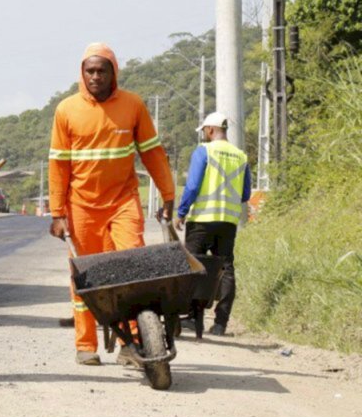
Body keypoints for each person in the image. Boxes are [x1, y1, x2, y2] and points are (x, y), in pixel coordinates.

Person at [49, 43, 176, 366]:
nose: (95, 76)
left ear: (113, 72)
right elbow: (58, 165)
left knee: (133, 267)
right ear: (82, 73)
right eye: (89, 70)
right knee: (85, 277)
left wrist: (168, 194)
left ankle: (131, 343)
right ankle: (86, 344)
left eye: (101, 70)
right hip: (81, 207)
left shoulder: (132, 105)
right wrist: (57, 213)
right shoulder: (66, 110)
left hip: (123, 202)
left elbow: (153, 153)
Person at [176, 111, 251, 336]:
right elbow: (245, 194)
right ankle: (220, 324)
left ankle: (192, 318)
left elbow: (192, 186)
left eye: (205, 132)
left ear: (210, 130)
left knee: (193, 267)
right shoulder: (241, 156)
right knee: (226, 269)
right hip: (228, 221)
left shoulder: (204, 151)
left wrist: (181, 212)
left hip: (201, 220)